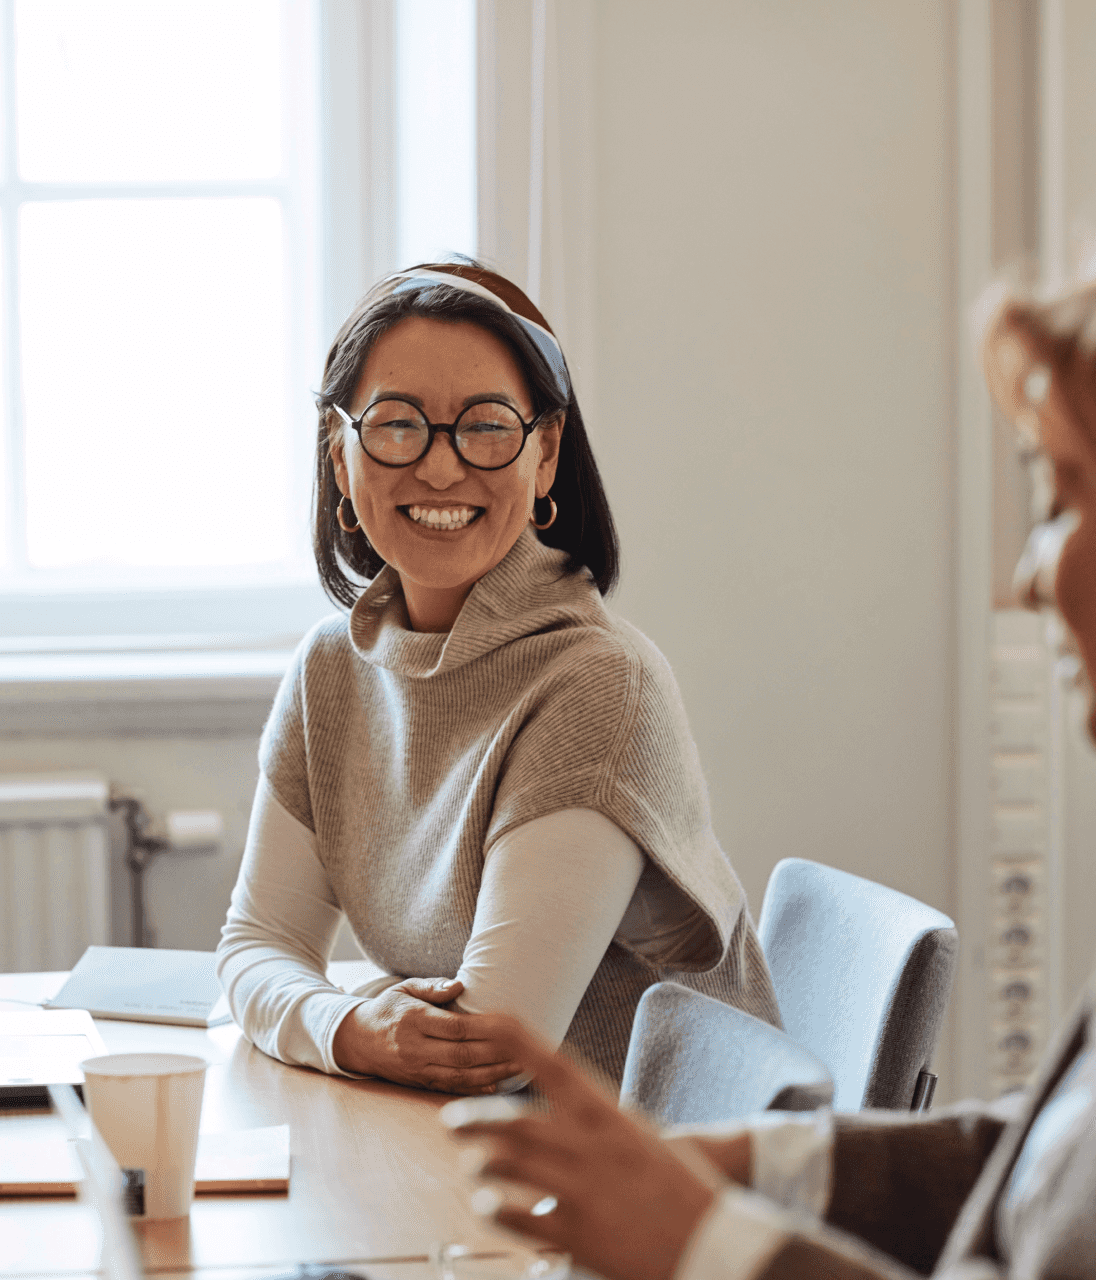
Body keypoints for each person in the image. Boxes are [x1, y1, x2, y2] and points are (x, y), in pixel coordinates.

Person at [443, 194, 1096, 1277]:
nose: (1028, 573)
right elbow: (1068, 1165)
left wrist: (709, 1245)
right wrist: (748, 1168)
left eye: (1060, 502)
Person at [216, 262, 779, 1095]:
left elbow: (490, 1048)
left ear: (545, 453)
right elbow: (254, 944)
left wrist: (330, 1010)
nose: (441, 470)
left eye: (484, 426)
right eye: (396, 424)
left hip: (640, 1186)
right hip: (468, 1158)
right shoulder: (330, 671)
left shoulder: (597, 685)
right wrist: (348, 1023)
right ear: (340, 455)